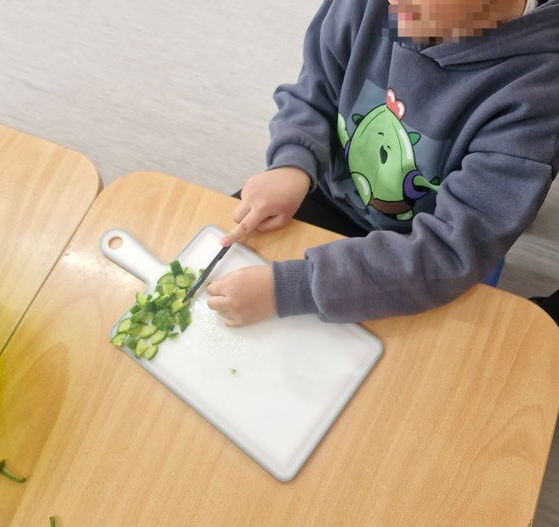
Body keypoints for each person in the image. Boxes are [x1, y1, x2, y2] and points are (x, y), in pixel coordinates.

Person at [205, 0, 559, 327]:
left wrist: (294, 288)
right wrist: (292, 162)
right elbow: (316, 87)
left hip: (419, 248)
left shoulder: (537, 93)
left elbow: (451, 252)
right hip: (328, 195)